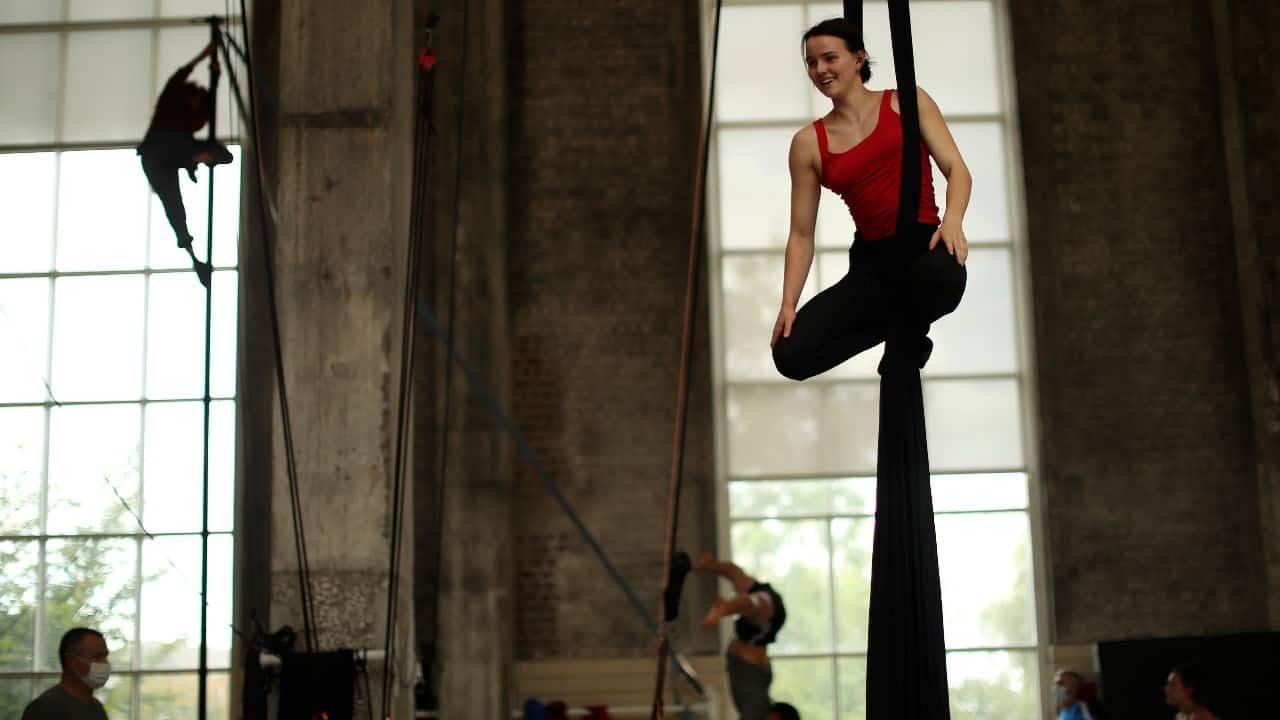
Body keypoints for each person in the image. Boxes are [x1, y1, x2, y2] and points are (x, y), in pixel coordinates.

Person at [770, 17, 971, 380]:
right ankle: (904, 331)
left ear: (859, 58)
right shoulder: (807, 144)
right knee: (789, 354)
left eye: (830, 58)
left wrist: (952, 220)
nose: (820, 70)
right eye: (811, 63)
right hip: (873, 269)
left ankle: (904, 332)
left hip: (924, 249)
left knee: (942, 277)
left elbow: (957, 169)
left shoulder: (907, 102)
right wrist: (788, 303)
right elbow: (801, 234)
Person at [137, 41, 234, 288]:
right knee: (174, 207)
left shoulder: (197, 117)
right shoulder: (172, 99)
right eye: (194, 103)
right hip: (158, 153)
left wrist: (217, 75)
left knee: (222, 154)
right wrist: (206, 53)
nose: (195, 110)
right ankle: (193, 256)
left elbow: (210, 101)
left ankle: (195, 260)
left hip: (175, 156)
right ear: (189, 97)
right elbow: (183, 71)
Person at [693, 551, 787, 720]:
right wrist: (724, 609)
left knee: (737, 576)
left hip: (765, 613)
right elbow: (752, 603)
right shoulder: (756, 708)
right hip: (750, 662)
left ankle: (706, 565)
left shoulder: (759, 704)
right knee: (753, 603)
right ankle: (725, 607)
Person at [21, 627, 111, 720]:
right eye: (98, 657)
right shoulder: (44, 709)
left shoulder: (97, 707)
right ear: (71, 661)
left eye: (105, 656)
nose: (105, 663)